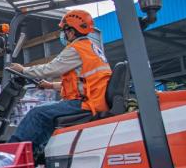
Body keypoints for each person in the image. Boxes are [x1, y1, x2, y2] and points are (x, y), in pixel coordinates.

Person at [7, 9, 112, 156]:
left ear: (71, 31)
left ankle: (10, 155)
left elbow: (51, 69)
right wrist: (50, 86)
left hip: (87, 104)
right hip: (94, 100)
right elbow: (82, 83)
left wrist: (23, 70)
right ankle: (34, 153)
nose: (63, 34)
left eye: (64, 30)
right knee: (47, 117)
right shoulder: (91, 48)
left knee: (36, 113)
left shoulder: (76, 49)